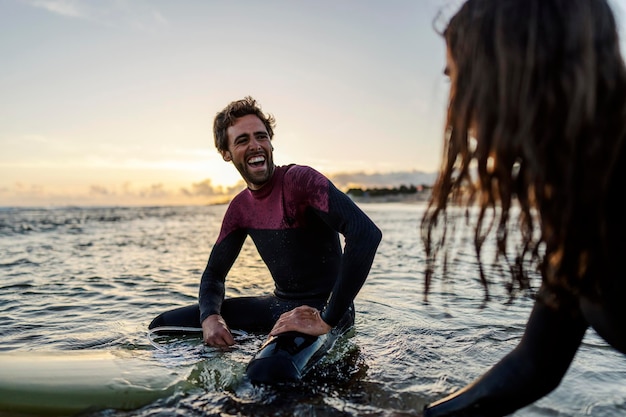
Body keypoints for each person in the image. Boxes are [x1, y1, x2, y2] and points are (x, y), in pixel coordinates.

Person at [421, 0, 626, 415]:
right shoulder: (576, 193)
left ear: (512, 70)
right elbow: (535, 364)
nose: (456, 106)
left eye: (459, 79)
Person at [149, 96, 382, 351]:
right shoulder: (240, 207)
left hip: (327, 310)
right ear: (226, 153)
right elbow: (214, 275)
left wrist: (326, 319)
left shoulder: (300, 181)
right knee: (162, 327)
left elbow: (365, 234)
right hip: (278, 305)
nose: (255, 145)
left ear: (271, 142)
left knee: (264, 374)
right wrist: (211, 318)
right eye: (242, 140)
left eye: (261, 136)